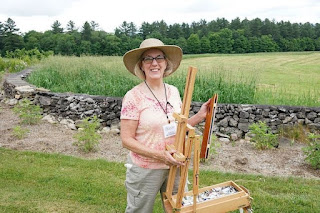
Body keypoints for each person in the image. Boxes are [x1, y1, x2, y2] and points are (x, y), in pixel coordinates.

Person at [120, 38, 210, 213]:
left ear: (166, 63)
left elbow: (177, 127)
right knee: (139, 210)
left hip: (175, 164)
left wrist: (199, 116)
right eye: (148, 59)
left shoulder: (173, 91)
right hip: (146, 169)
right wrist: (160, 155)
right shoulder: (134, 96)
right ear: (141, 65)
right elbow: (126, 140)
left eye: (159, 58)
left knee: (178, 209)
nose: (154, 63)